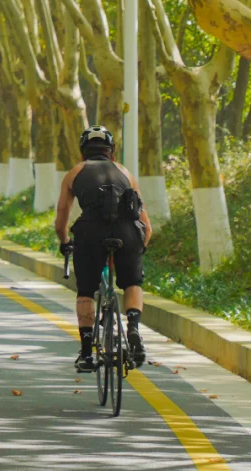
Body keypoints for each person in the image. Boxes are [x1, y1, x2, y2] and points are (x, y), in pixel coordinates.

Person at [55, 125, 152, 372]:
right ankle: (134, 331)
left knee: (86, 291)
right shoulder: (125, 173)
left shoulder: (74, 172)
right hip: (128, 232)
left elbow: (61, 218)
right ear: (112, 151)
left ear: (83, 151)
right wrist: (139, 249)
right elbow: (146, 225)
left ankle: (87, 353)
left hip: (90, 232)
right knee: (133, 284)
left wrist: (65, 241)